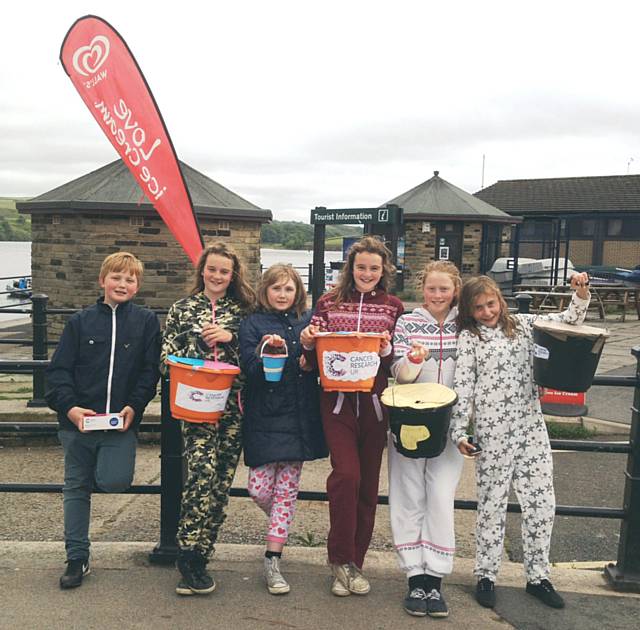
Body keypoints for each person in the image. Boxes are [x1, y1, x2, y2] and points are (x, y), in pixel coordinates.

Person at [450, 272, 591, 610]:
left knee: (542, 503)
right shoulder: (470, 338)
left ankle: (538, 576)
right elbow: (464, 385)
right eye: (479, 307)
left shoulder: (524, 325)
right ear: (470, 310)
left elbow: (568, 319)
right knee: (492, 505)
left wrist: (581, 292)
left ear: (500, 299)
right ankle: (486, 574)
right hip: (492, 433)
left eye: (491, 303)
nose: (487, 311)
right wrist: (459, 431)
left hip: (530, 429)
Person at [45, 251, 161, 589]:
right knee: (76, 488)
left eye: (130, 279)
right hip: (77, 424)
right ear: (102, 280)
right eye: (116, 277)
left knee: (114, 480)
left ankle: (99, 470)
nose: (122, 284)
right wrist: (70, 409)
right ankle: (77, 557)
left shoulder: (145, 322)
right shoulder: (79, 322)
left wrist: (134, 407)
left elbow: (148, 371)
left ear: (137, 286)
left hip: (119, 424)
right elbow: (59, 372)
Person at [301, 236, 403, 597]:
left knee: (368, 487)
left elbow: (395, 362)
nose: (367, 273)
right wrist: (308, 342)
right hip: (337, 403)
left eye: (374, 268)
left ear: (383, 270)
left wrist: (389, 350)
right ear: (351, 267)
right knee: (346, 476)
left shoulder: (393, 306)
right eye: (361, 267)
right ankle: (339, 559)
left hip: (375, 405)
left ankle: (354, 563)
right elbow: (311, 359)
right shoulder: (328, 302)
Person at [161, 241, 255, 596]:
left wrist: (230, 340)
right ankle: (186, 551)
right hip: (195, 405)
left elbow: (253, 359)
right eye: (212, 269)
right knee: (200, 473)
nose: (217, 275)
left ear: (233, 276)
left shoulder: (243, 312)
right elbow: (164, 359)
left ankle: (202, 555)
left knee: (220, 483)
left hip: (232, 408)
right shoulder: (182, 309)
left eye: (224, 271)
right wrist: (195, 349)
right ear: (202, 270)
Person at [239, 264, 328, 595]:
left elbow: (319, 359)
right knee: (259, 489)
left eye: (288, 289)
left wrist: (309, 358)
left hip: (300, 415)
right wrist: (267, 351)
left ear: (298, 293)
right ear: (265, 291)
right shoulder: (252, 323)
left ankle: (273, 558)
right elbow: (248, 367)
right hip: (264, 415)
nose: (282, 294)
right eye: (276, 288)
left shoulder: (307, 322)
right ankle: (281, 519)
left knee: (287, 491)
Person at [388, 260, 464, 618]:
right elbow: (399, 376)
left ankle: (435, 577)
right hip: (410, 421)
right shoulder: (407, 322)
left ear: (455, 291)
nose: (437, 295)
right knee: (407, 494)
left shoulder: (466, 324)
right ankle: (413, 575)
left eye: (444, 289)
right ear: (423, 290)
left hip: (449, 425)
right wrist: (412, 362)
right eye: (431, 289)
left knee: (440, 496)